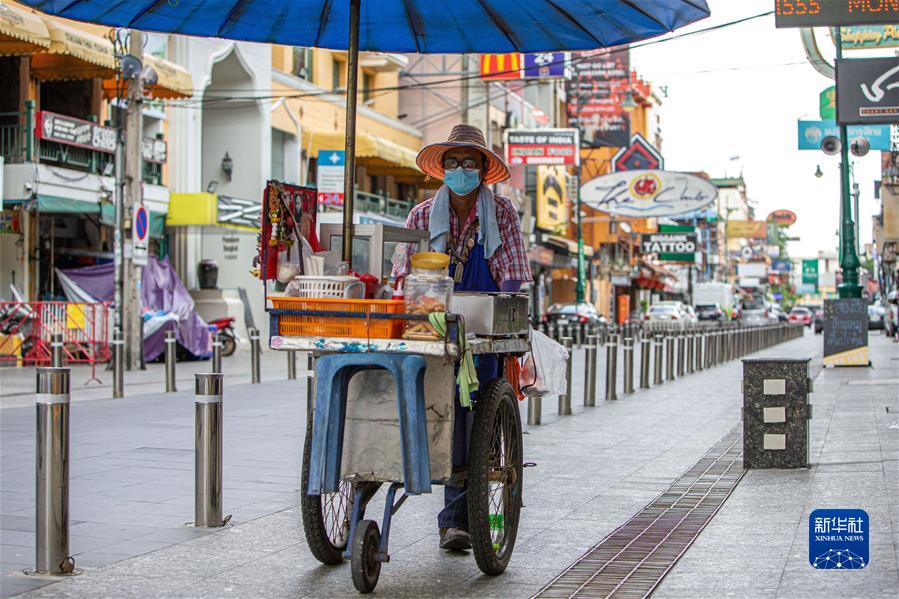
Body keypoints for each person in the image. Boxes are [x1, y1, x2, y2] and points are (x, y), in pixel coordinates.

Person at [395, 124, 532, 551]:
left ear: (483, 170)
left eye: (469, 163)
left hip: (483, 328)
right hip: (431, 324)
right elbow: (402, 275)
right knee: (433, 405)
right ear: (442, 169)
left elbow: (513, 274)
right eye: (452, 162)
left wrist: (506, 317)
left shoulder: (502, 213)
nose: (460, 170)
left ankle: (458, 519)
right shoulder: (421, 215)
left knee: (471, 415)